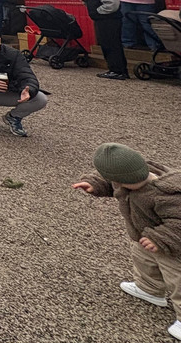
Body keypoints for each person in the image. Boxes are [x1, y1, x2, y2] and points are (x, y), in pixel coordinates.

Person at [72, 143, 181, 341]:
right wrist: (95, 184)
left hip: (174, 246)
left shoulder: (167, 195)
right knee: (143, 260)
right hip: (145, 236)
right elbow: (112, 184)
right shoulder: (129, 177)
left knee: (177, 279)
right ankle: (150, 289)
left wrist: (160, 238)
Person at [81, 0, 129, 81]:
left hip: (109, 19)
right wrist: (87, 2)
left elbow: (112, 4)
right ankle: (114, 69)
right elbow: (98, 1)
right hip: (102, 19)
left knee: (112, 44)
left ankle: (118, 70)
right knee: (106, 44)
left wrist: (98, 12)